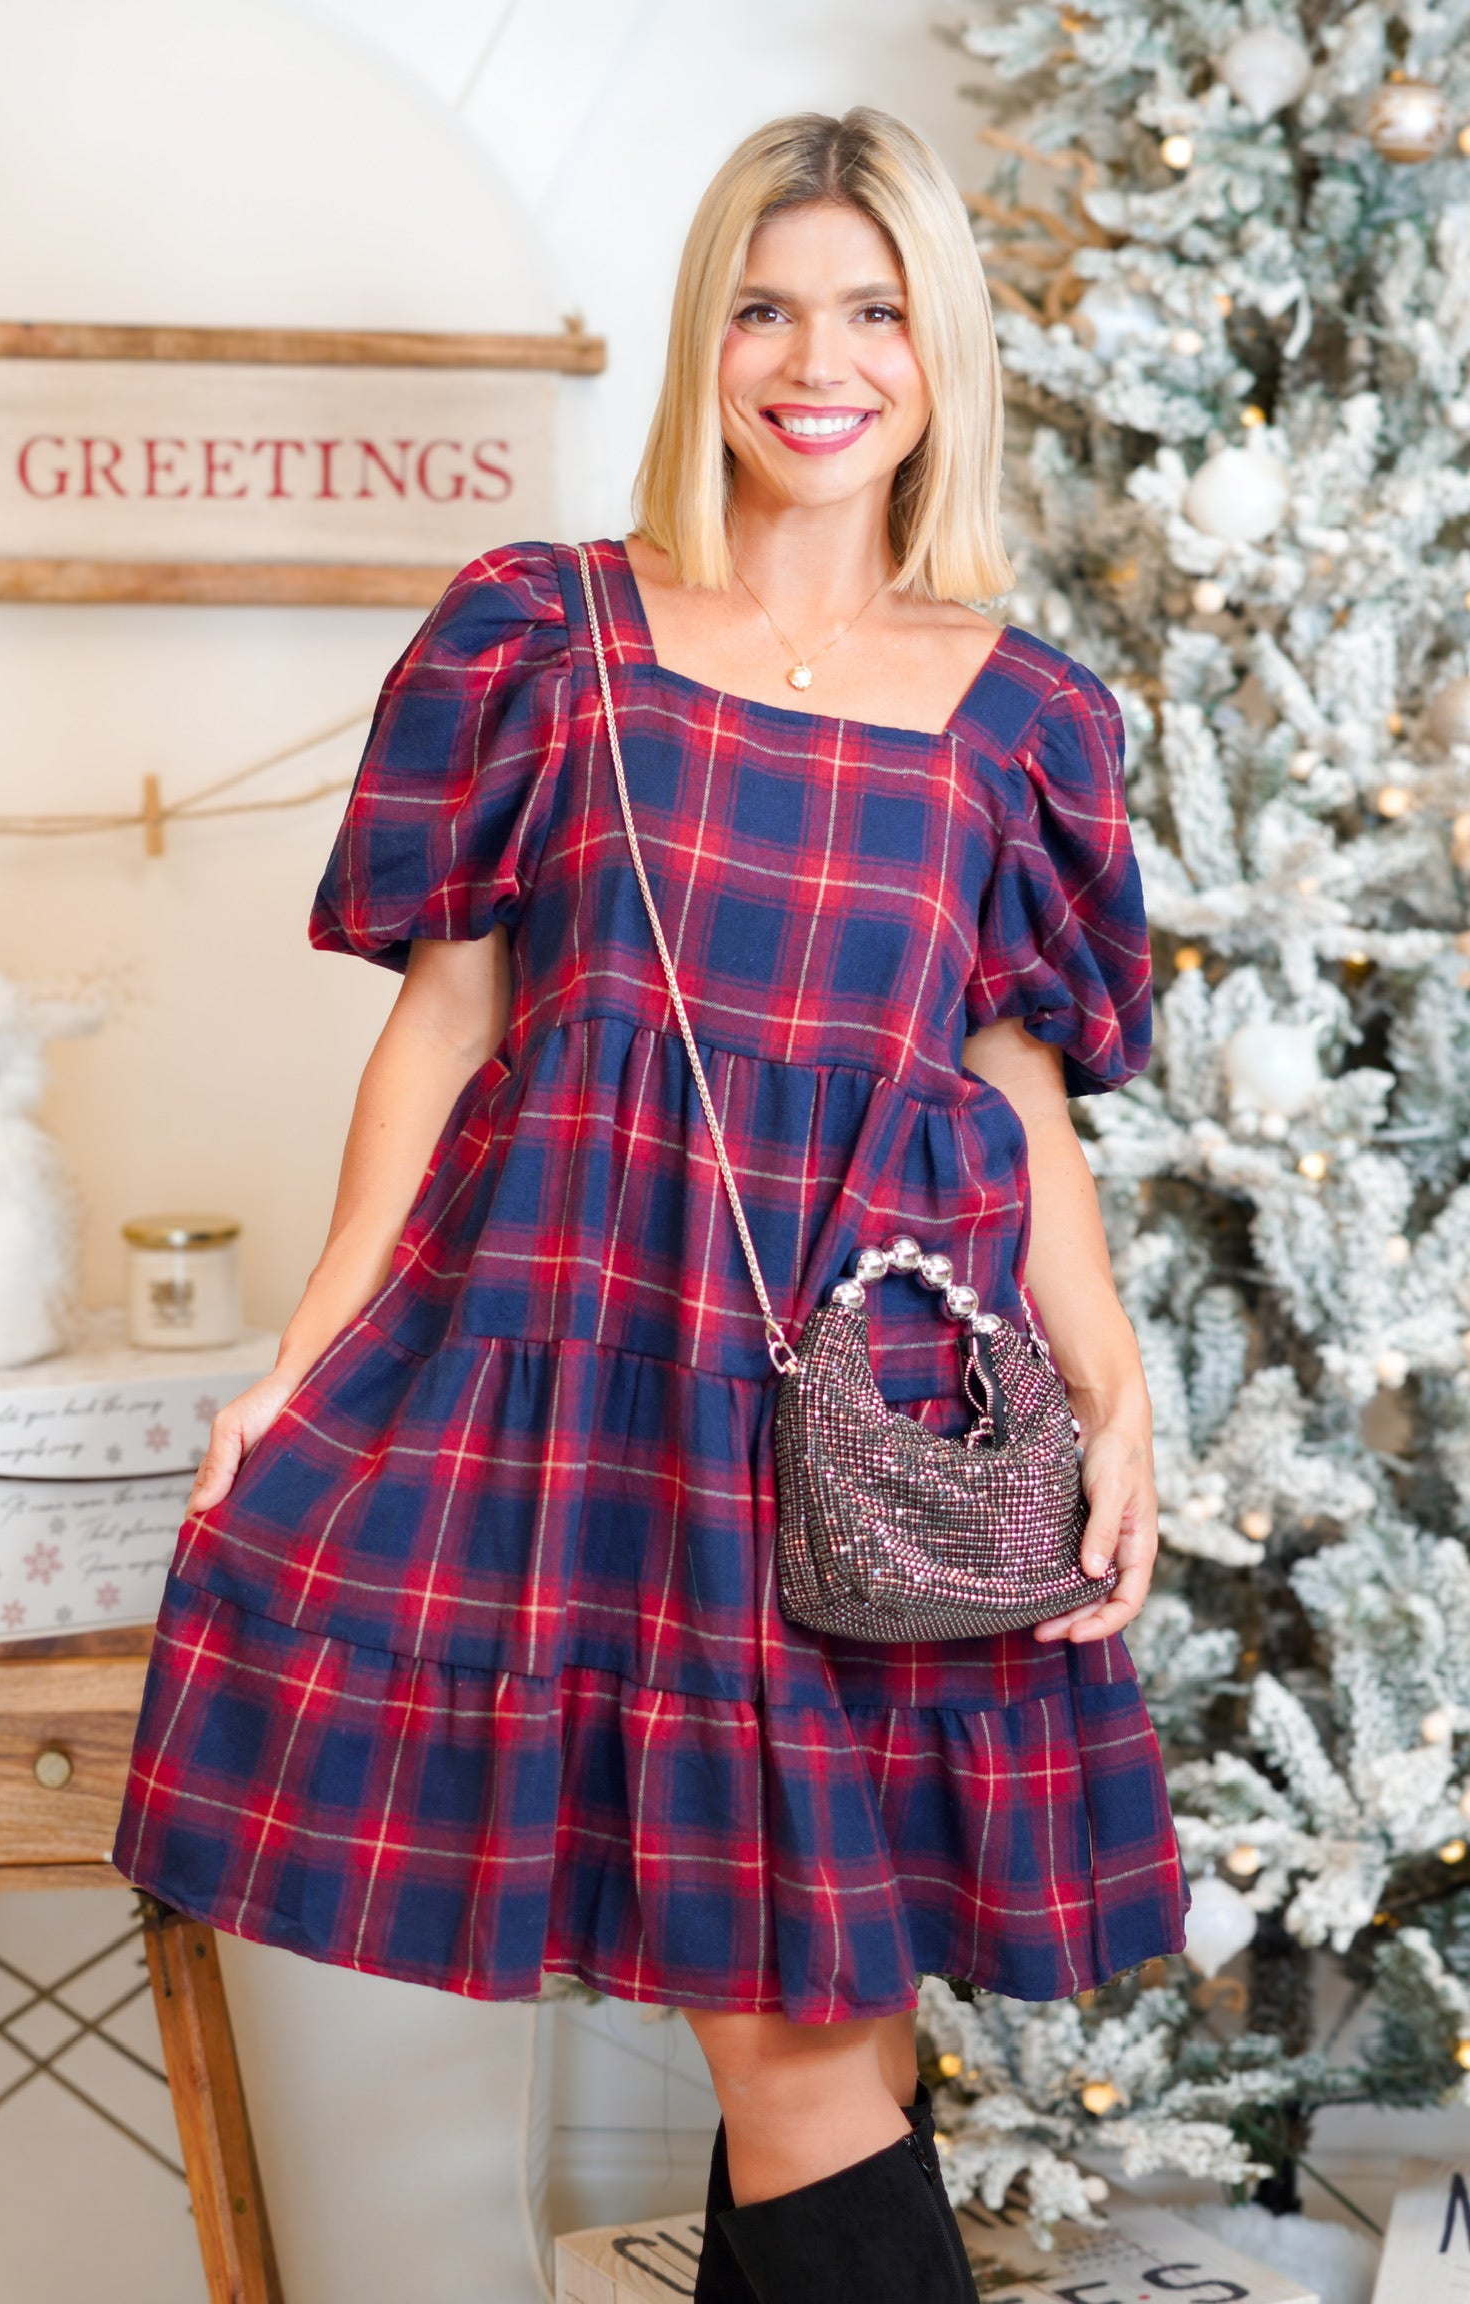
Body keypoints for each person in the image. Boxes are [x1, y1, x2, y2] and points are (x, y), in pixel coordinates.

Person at [115, 106, 1186, 2303]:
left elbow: (1016, 1086)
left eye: (875, 311)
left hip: (875, 1421)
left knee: (831, 2042)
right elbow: (444, 1023)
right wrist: (306, 1354)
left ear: (940, 353)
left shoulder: (1027, 718)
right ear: (708, 339)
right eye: (768, 310)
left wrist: (1115, 1386)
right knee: (806, 2054)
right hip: (603, 1385)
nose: (820, 361)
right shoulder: (549, 635)